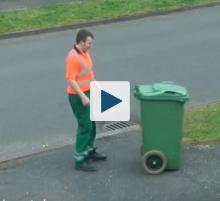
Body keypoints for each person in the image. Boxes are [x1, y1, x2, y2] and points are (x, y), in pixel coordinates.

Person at [65, 29, 107, 172]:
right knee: (85, 126)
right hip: (78, 96)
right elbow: (71, 80)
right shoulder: (72, 57)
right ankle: (79, 160)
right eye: (89, 43)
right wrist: (83, 97)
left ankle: (89, 151)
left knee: (92, 125)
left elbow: (89, 73)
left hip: (89, 92)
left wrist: (97, 87)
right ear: (81, 42)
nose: (91, 45)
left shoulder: (85, 53)